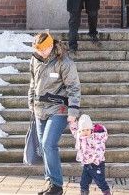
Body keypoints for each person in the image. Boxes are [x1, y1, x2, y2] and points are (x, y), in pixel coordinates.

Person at [28, 32, 82, 195]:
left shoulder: (64, 62)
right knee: (44, 148)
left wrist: (73, 111)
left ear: (51, 46)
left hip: (58, 109)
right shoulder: (34, 59)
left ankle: (57, 185)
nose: (41, 53)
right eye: (38, 50)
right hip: (39, 109)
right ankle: (50, 182)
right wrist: (31, 101)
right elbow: (32, 82)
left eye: (43, 49)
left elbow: (74, 87)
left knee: (48, 144)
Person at [69, 112, 111, 195]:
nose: (85, 132)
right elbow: (74, 130)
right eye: (83, 130)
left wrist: (96, 159)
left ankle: (106, 192)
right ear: (80, 130)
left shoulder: (96, 137)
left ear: (91, 129)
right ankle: (84, 192)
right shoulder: (79, 136)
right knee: (84, 182)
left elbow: (100, 149)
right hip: (87, 164)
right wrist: (72, 122)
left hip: (97, 163)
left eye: (87, 130)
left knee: (100, 181)